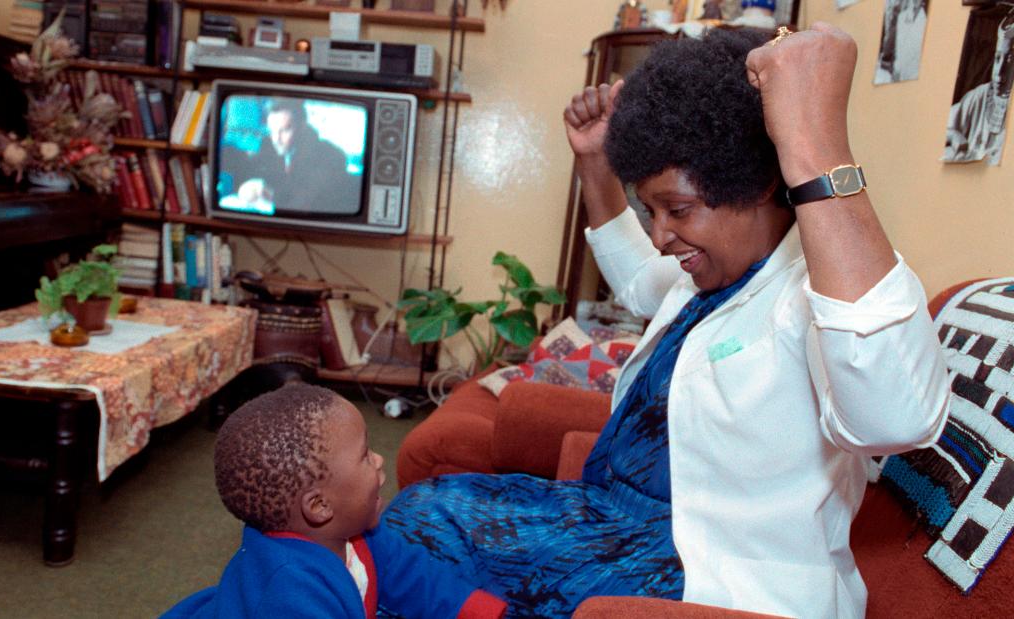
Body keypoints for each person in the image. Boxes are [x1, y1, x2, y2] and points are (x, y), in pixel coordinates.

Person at [376, 24, 950, 619]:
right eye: (649, 210)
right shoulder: (715, 279)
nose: (658, 235)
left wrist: (816, 147)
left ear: (756, 185)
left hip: (692, 567)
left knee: (415, 547)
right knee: (423, 516)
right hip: (610, 518)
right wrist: (596, 166)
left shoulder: (821, 292)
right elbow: (637, 281)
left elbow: (895, 416)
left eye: (677, 210)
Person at [161, 383, 507, 618]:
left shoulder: (360, 533)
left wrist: (483, 611)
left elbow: (418, 579)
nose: (379, 460)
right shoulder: (290, 592)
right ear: (319, 506)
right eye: (364, 456)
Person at [228, 99, 360, 213]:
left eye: (284, 130)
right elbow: (245, 174)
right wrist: (245, 187)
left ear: (302, 127)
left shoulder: (331, 157)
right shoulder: (268, 145)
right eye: (272, 131)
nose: (276, 139)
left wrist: (270, 194)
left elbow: (303, 202)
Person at [943, 11, 1014, 164]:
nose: (1000, 72)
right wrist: (955, 136)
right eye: (997, 59)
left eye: (1009, 62)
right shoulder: (979, 96)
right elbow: (942, 125)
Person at [875, 0, 927, 84]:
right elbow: (898, 48)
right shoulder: (902, 17)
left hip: (913, 75)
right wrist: (896, 69)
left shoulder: (925, 21)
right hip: (896, 71)